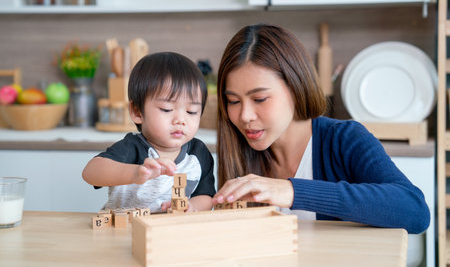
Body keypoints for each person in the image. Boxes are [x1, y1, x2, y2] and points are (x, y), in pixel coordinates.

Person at [211, 24, 430, 234]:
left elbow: (415, 211)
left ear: (296, 88)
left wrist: (292, 191)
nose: (244, 116)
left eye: (259, 99)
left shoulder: (344, 139)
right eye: (233, 101)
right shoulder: (238, 149)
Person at [82, 52, 215, 213]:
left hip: (171, 233)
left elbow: (206, 196)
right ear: (137, 112)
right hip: (125, 232)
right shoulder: (133, 148)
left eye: (192, 111)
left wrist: (192, 207)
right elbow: (90, 172)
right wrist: (136, 173)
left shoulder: (198, 153)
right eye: (167, 109)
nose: (181, 120)